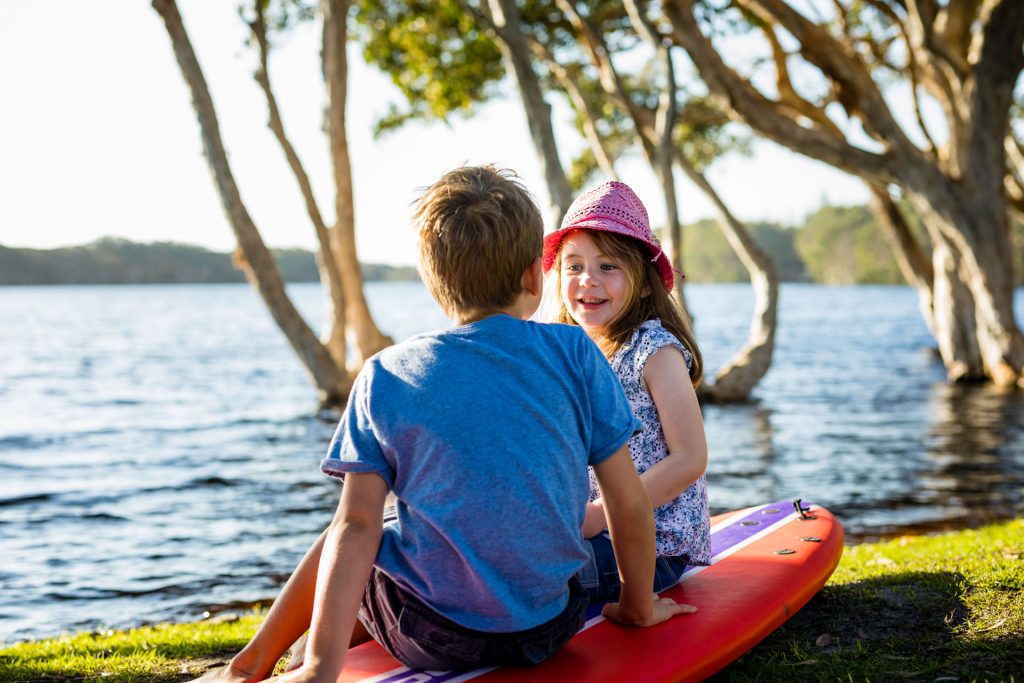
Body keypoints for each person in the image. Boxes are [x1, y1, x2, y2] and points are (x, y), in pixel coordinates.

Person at [198, 166, 691, 683]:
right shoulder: (575, 354)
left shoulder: (385, 373)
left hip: (431, 635)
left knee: (360, 531)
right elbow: (627, 500)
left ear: (433, 281)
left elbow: (356, 526)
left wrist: (325, 669)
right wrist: (639, 606)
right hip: (549, 627)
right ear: (533, 275)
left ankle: (258, 665)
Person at [542, 180, 711, 603]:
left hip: (651, 549)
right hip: (586, 529)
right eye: (574, 266)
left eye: (608, 267)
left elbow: (689, 458)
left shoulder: (653, 351)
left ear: (644, 282)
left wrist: (600, 516)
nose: (588, 280)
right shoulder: (567, 350)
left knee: (531, 569)